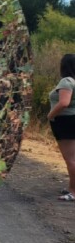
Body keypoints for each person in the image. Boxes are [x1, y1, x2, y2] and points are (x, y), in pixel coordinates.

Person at [49, 54, 75, 201]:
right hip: (71, 120)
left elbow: (64, 103)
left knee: (71, 159)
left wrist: (50, 115)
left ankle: (73, 191)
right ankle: (72, 186)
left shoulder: (66, 81)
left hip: (65, 121)